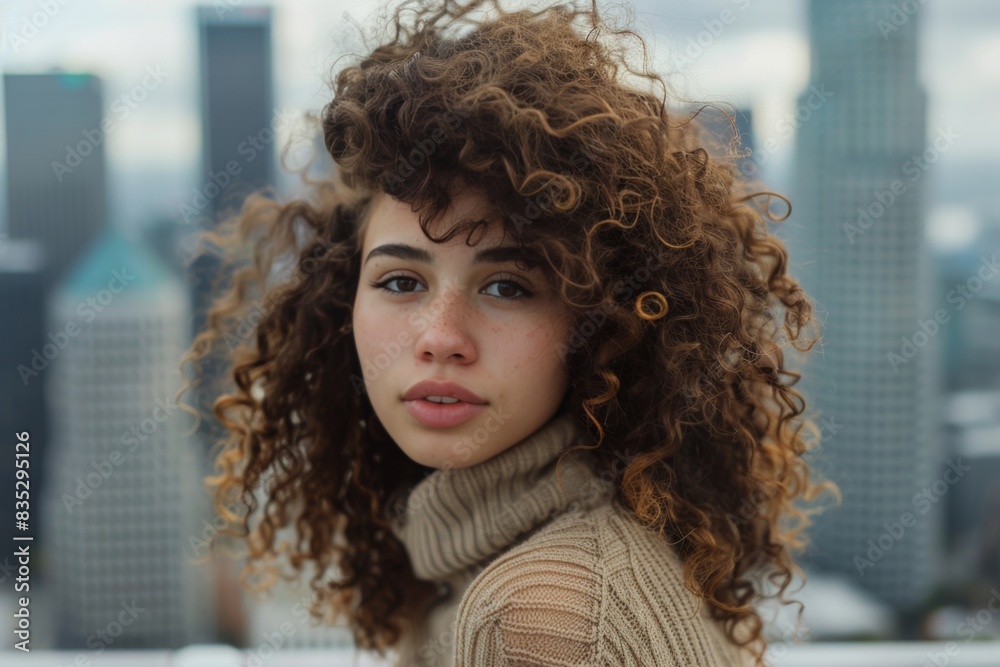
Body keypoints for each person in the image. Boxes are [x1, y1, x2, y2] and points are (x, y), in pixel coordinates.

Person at [181, 0, 838, 665]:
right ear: (339, 303)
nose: (442, 336)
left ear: (606, 322)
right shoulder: (522, 562)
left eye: (508, 287)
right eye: (401, 282)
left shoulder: (541, 618)